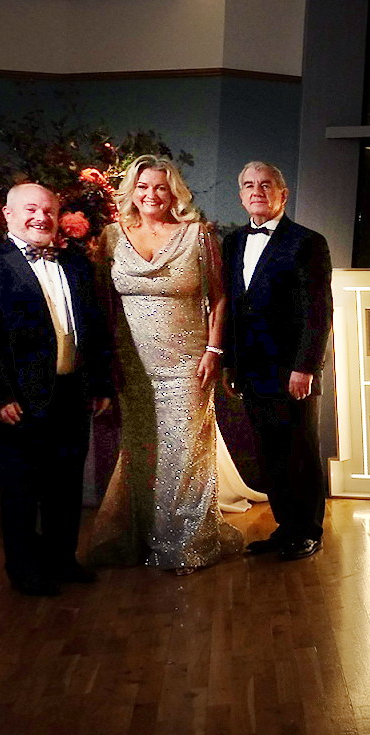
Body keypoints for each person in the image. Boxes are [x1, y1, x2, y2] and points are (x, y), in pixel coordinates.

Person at [88, 155, 242, 573]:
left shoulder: (197, 235)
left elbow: (220, 296)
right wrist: (106, 365)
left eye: (160, 187)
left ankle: (184, 544)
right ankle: (140, 537)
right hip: (132, 366)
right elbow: (102, 305)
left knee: (185, 452)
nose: (151, 195)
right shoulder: (111, 237)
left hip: (188, 363)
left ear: (174, 191)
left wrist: (215, 351)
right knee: (142, 453)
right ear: (131, 193)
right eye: (143, 187)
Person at [0, 183, 114, 596]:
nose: (40, 218)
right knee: (21, 490)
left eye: (48, 210)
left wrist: (98, 384)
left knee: (65, 486)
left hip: (72, 392)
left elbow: (94, 330)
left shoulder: (77, 264)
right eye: (30, 210)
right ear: (7, 216)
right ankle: (25, 570)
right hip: (19, 400)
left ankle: (62, 560)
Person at [221, 161, 332, 561]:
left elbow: (318, 311)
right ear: (241, 195)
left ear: (282, 195)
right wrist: (231, 364)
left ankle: (308, 531)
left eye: (266, 185)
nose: (257, 191)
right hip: (250, 369)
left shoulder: (307, 242)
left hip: (291, 371)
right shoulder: (232, 242)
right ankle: (286, 529)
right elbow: (233, 306)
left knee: (299, 451)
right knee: (269, 453)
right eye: (249, 185)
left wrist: (306, 367)